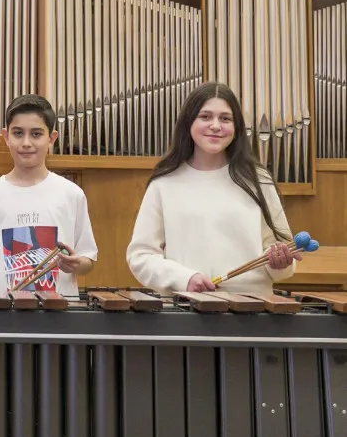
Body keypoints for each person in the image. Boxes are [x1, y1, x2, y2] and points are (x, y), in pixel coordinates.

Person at [126, 82, 299, 295]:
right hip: (186, 305)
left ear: (236, 128)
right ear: (189, 122)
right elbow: (141, 256)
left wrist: (280, 263)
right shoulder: (164, 184)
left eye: (225, 119)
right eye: (205, 116)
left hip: (253, 306)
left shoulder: (258, 181)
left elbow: (282, 256)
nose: (216, 126)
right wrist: (184, 279)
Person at [0, 94, 97, 297]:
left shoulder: (72, 194)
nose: (26, 142)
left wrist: (76, 264)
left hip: (60, 313)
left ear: (51, 139)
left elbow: (88, 259)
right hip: (1, 313)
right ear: (6, 137)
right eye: (18, 133)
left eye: (36, 134)